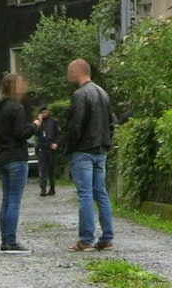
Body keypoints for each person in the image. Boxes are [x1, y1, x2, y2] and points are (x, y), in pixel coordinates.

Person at [65, 58, 116, 252]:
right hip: (100, 149)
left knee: (85, 194)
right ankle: (107, 237)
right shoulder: (103, 93)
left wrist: (68, 147)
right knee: (100, 193)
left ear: (77, 72)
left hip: (83, 150)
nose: (68, 75)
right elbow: (111, 122)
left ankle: (86, 239)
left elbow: (75, 126)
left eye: (70, 71)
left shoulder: (80, 95)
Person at [0, 73, 41, 253]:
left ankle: (5, 239)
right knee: (14, 200)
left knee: (6, 200)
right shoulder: (17, 108)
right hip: (16, 157)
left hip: (2, 156)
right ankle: (11, 240)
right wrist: (35, 126)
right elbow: (21, 133)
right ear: (15, 88)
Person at [34, 105, 61, 196]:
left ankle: (52, 187)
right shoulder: (39, 123)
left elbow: (58, 134)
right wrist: (39, 124)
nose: (45, 114)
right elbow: (37, 134)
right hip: (42, 148)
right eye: (43, 113)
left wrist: (56, 143)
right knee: (42, 169)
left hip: (51, 148)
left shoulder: (54, 121)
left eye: (46, 112)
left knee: (51, 169)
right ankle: (43, 188)